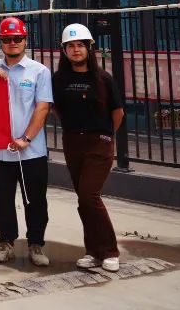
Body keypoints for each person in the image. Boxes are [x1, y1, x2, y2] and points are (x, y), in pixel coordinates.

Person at [52, 23, 124, 273]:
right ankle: (93, 251)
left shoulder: (103, 79)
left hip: (99, 144)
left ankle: (110, 251)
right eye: (71, 46)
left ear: (89, 48)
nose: (76, 50)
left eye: (80, 45)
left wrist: (105, 136)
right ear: (64, 50)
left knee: (89, 196)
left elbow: (117, 113)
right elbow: (56, 109)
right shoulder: (59, 80)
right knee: (83, 200)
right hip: (73, 143)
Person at [0, 16, 53, 267]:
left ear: (25, 40)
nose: (12, 43)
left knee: (35, 200)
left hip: (31, 151)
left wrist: (26, 138)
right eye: (7, 39)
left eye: (17, 38)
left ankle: (36, 244)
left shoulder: (39, 71)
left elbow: (42, 108)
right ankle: (6, 242)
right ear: (0, 41)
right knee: (2, 199)